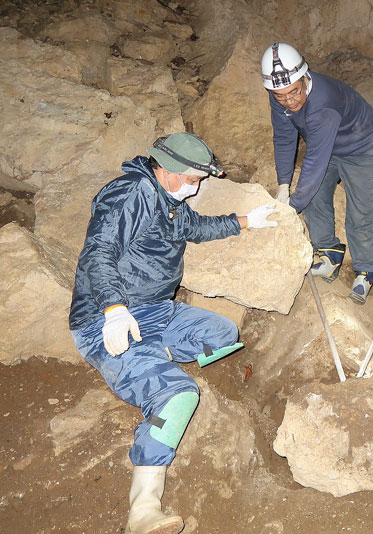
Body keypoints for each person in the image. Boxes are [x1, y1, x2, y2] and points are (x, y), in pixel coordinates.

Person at [68, 132, 277, 534]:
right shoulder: (131, 193)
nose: (198, 188)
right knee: (180, 395)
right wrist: (113, 310)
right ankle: (143, 507)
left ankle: (150, 359)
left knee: (224, 332)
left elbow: (195, 226)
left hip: (156, 313)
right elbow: (98, 252)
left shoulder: (168, 200)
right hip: (107, 320)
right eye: (193, 179)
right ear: (165, 170)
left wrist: (247, 221)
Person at [261, 42, 373, 304]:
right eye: (280, 96)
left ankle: (365, 269)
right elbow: (284, 137)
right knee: (315, 196)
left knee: (361, 211)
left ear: (304, 78)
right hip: (328, 144)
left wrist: (292, 205)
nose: (289, 101)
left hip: (362, 147)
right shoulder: (280, 94)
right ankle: (329, 252)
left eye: (293, 93)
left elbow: (315, 160)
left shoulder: (323, 103)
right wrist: (283, 184)